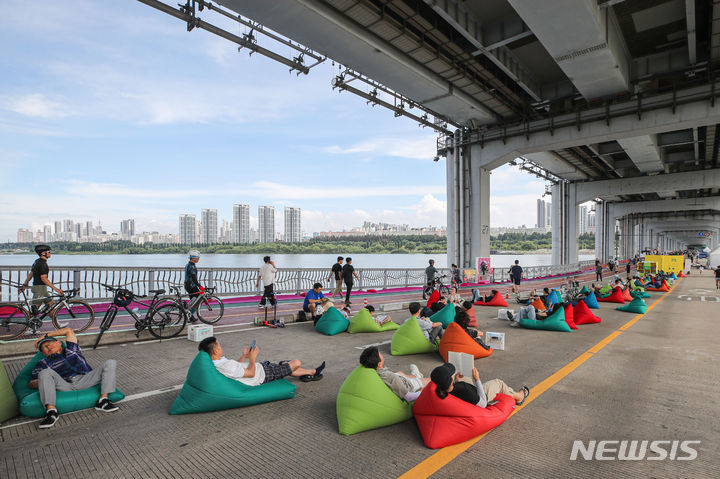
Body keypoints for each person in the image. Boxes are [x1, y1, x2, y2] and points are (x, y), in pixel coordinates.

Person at [30, 327, 118, 429]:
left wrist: (45, 336)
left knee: (111, 362)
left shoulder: (72, 350)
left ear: (59, 342)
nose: (48, 347)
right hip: (64, 384)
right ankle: (51, 412)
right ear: (43, 353)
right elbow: (31, 383)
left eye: (50, 343)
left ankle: (103, 400)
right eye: (44, 347)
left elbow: (68, 330)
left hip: (85, 379)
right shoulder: (42, 363)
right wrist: (45, 380)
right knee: (45, 372)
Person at [200, 336, 325, 384]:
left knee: (284, 366)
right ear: (215, 351)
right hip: (263, 374)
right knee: (296, 363)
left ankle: (311, 372)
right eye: (219, 346)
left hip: (262, 368)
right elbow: (251, 374)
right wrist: (253, 359)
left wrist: (244, 356)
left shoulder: (218, 361)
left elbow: (237, 366)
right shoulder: (225, 366)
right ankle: (310, 372)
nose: (221, 347)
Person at [429, 363, 529, 407]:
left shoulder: (442, 390)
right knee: (498, 383)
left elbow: (456, 389)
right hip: (480, 396)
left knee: (465, 377)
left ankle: (463, 379)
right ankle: (519, 397)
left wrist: (457, 380)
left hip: (464, 394)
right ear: (450, 380)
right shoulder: (465, 390)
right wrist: (477, 379)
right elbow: (483, 403)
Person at [359, 346, 429, 402]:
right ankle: (417, 378)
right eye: (379, 353)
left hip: (397, 378)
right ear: (379, 364)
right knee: (430, 380)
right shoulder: (389, 377)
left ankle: (416, 375)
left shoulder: (374, 370)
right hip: (409, 386)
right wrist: (421, 391)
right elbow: (409, 397)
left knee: (400, 373)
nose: (380, 353)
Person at [19, 244, 63, 314]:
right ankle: (30, 323)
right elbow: (44, 279)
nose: (50, 253)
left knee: (50, 305)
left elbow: (31, 274)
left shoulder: (37, 261)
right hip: (39, 288)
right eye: (49, 252)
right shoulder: (43, 264)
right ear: (43, 253)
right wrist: (56, 289)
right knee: (34, 310)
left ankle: (57, 323)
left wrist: (25, 283)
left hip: (42, 288)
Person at [184, 250, 204, 321]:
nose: (198, 259)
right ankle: (189, 314)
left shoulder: (188, 264)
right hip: (192, 286)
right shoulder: (192, 266)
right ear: (193, 258)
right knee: (198, 300)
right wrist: (200, 286)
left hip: (187, 285)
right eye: (198, 257)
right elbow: (194, 278)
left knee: (193, 300)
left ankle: (189, 314)